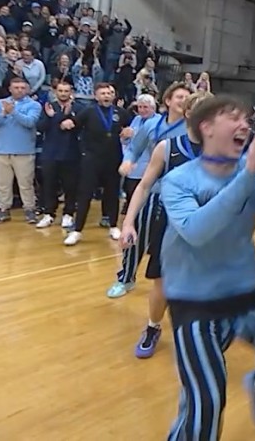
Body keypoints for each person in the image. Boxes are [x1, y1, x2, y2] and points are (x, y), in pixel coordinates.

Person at [159, 95, 255, 440]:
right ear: (206, 127)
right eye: (233, 117)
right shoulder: (179, 180)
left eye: (247, 119)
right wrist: (247, 176)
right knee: (205, 403)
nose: (245, 125)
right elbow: (197, 231)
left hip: (247, 298)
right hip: (195, 306)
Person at [119, 91, 210, 358]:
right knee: (163, 285)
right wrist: (128, 223)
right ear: (188, 114)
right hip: (170, 224)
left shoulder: (225, 152)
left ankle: (197, 333)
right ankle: (153, 326)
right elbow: (144, 185)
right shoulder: (167, 147)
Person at [109, 84, 191, 297]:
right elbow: (134, 149)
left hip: (179, 194)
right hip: (152, 189)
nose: (184, 100)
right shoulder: (151, 125)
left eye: (188, 97)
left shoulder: (193, 128)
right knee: (136, 238)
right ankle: (126, 278)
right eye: (180, 96)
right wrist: (128, 161)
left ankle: (171, 282)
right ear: (168, 101)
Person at [65, 83, 134, 246]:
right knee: (85, 195)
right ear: (96, 96)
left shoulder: (120, 112)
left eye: (109, 93)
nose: (106, 96)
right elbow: (74, 124)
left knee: (112, 194)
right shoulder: (88, 111)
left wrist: (130, 131)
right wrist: (66, 122)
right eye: (102, 93)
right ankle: (77, 230)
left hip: (113, 159)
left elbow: (132, 127)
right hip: (91, 159)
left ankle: (113, 226)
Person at [0, 76, 40, 224]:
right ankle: (4, 210)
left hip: (24, 151)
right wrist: (4, 113)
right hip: (1, 150)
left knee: (26, 183)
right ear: (10, 88)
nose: (20, 90)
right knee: (3, 184)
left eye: (23, 88)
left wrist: (13, 112)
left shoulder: (34, 105)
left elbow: (30, 122)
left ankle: (30, 209)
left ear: (27, 89)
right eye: (16, 87)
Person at [35, 80, 80, 230]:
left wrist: (63, 117)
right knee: (49, 185)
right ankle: (49, 214)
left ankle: (68, 213)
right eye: (60, 91)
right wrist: (50, 117)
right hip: (50, 153)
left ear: (71, 92)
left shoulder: (78, 108)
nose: (63, 94)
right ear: (55, 92)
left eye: (66, 91)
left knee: (70, 186)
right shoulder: (48, 107)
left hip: (71, 153)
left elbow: (75, 127)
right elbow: (40, 127)